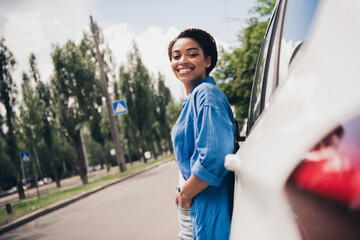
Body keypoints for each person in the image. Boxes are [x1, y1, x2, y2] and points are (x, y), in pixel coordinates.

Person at [169, 28, 235, 240]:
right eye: (176, 56)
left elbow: (214, 156)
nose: (183, 61)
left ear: (207, 61)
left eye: (192, 54)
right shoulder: (195, 99)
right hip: (194, 205)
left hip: (202, 202)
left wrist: (186, 195)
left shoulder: (206, 95)